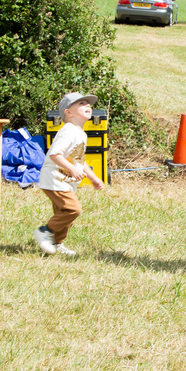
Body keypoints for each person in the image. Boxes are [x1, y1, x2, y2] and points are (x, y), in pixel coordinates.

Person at [33, 91, 106, 257]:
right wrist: (72, 169)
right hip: (54, 178)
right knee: (73, 209)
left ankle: (56, 242)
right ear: (68, 112)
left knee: (65, 216)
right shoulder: (68, 131)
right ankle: (44, 231)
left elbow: (79, 160)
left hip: (65, 181)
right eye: (81, 103)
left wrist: (93, 178)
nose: (87, 105)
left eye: (88, 103)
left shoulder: (80, 134)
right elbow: (55, 154)